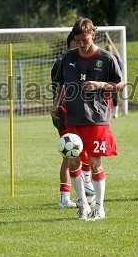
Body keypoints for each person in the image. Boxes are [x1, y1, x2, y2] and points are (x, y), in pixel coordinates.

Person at [51, 17, 124, 221]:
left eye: (86, 39)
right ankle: (83, 206)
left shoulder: (106, 58)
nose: (83, 43)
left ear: (93, 34)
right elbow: (60, 84)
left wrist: (99, 85)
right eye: (79, 40)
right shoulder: (68, 58)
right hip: (73, 117)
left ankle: (99, 208)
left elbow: (120, 85)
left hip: (97, 118)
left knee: (94, 162)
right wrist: (56, 104)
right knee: (74, 162)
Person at [51, 31, 95, 209]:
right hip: (65, 112)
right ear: (71, 44)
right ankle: (80, 192)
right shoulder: (65, 62)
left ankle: (67, 197)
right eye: (76, 43)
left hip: (75, 111)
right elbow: (59, 87)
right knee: (72, 152)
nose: (80, 46)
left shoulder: (78, 60)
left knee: (71, 154)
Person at [105, 44, 123, 118]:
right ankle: (107, 112)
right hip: (105, 80)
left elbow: (119, 69)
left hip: (113, 80)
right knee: (105, 96)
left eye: (109, 49)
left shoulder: (116, 58)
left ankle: (116, 113)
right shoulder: (103, 57)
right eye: (107, 49)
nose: (108, 50)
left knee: (114, 96)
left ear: (112, 49)